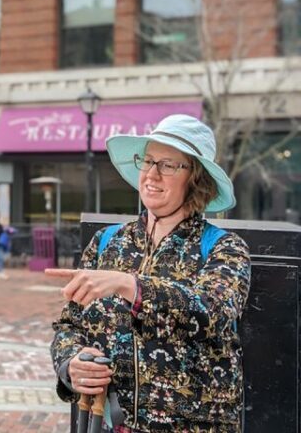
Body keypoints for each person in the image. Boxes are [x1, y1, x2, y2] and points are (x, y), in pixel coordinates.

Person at [45, 114, 251, 432]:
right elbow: (69, 325)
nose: (152, 174)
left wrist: (131, 285)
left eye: (168, 165)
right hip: (110, 424)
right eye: (149, 161)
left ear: (195, 178)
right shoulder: (107, 242)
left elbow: (214, 311)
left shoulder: (223, 248)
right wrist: (71, 362)